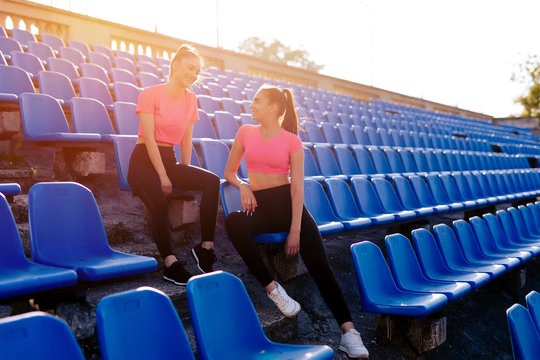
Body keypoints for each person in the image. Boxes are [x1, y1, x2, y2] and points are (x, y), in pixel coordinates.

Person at [223, 86, 369, 358]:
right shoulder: (245, 132)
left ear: (274, 108)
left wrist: (295, 231)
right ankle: (274, 290)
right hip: (262, 208)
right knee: (233, 221)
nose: (251, 104)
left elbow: (297, 190)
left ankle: (349, 333)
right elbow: (229, 171)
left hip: (291, 209)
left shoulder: (292, 140)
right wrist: (242, 185)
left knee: (321, 268)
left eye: (257, 100)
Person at [128, 44, 220, 286]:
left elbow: (186, 140)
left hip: (169, 159)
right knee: (159, 200)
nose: (193, 74)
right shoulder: (150, 93)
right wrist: (162, 174)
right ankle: (170, 264)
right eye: (190, 67)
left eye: (197, 71)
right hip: (143, 161)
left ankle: (205, 247)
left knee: (211, 181)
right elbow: (148, 139)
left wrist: (185, 172)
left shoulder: (191, 99)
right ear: (175, 65)